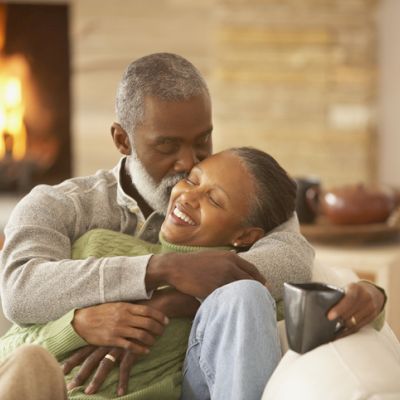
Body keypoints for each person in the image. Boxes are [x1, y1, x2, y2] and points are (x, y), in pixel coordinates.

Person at [0, 53, 386, 399]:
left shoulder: (235, 196)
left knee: (244, 294)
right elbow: (20, 292)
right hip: (65, 381)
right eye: (167, 146)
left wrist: (172, 302)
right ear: (122, 140)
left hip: (182, 380)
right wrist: (161, 269)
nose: (187, 162)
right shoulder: (62, 206)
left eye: (203, 141)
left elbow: (293, 254)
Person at [0, 147, 297, 399]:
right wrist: (75, 326)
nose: (188, 197)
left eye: (214, 200)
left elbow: (297, 260)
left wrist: (182, 302)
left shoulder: (238, 303)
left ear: (245, 236)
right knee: (31, 362)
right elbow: (7, 355)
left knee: (247, 293)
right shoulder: (99, 245)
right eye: (191, 180)